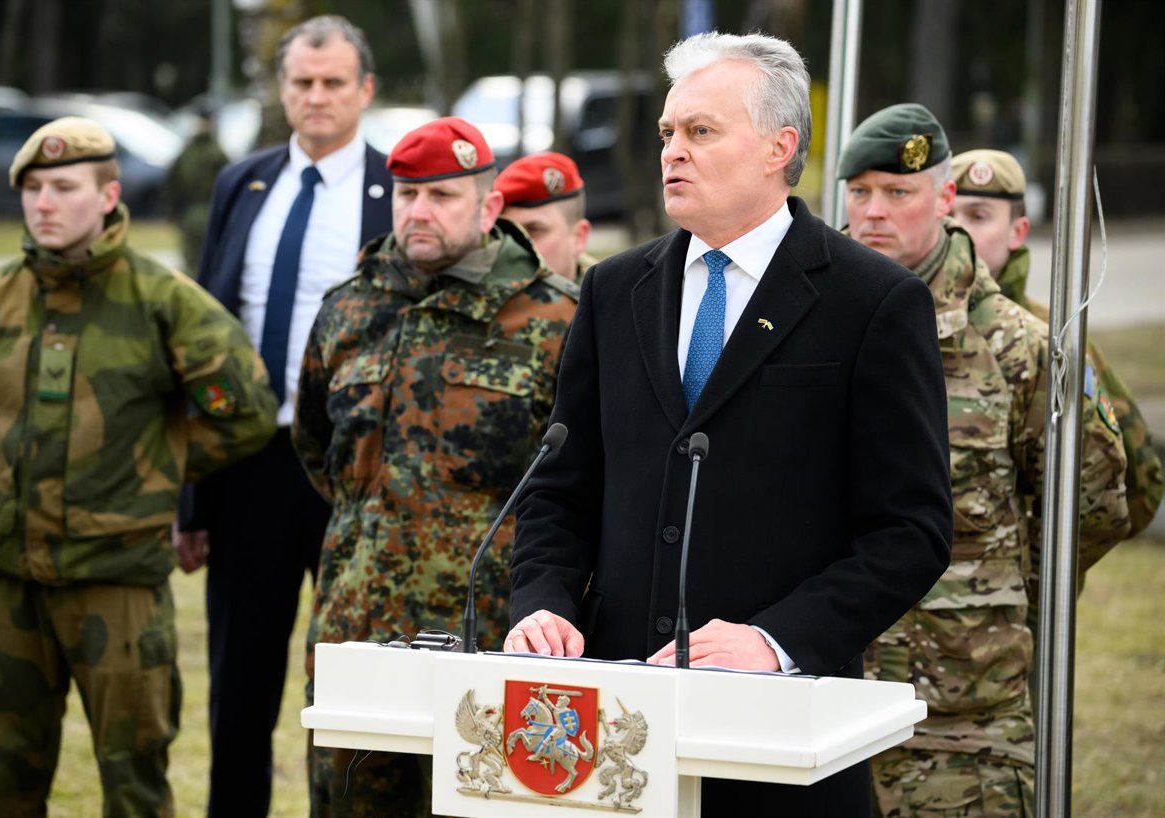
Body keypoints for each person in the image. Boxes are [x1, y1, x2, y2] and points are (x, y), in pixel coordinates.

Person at [505, 33, 953, 817]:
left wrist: (775, 641)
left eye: (701, 131)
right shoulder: (615, 290)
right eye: (667, 133)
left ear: (780, 147)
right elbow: (560, 490)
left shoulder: (871, 301)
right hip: (613, 729)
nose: (673, 151)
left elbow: (909, 530)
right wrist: (543, 602)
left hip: (782, 729)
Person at [0, 117, 276, 817]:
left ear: (109, 196)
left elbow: (247, 410)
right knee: (3, 782)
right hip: (9, 583)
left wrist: (154, 469)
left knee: (135, 787)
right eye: (33, 189)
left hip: (117, 583)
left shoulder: (163, 301)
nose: (45, 203)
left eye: (64, 187)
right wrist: (19, 465)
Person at [839, 104, 1131, 816]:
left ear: (944, 199)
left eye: (898, 193)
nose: (874, 213)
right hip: (824, 696)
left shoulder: (1015, 347)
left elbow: (1092, 505)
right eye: (860, 192)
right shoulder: (804, 322)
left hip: (961, 723)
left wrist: (993, 604)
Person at [293, 116, 578, 816]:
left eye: (443, 196)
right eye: (407, 194)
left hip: (488, 641)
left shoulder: (555, 319)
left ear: (488, 206)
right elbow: (318, 450)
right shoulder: (348, 309)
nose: (419, 212)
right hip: (356, 630)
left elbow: (578, 484)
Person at [172, 14, 394, 818]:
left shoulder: (398, 189)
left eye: (334, 82)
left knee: (352, 688)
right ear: (281, 88)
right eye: (302, 82)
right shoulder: (243, 183)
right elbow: (202, 343)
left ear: (365, 90)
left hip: (352, 470)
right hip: (247, 466)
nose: (317, 96)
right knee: (240, 689)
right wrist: (192, 496)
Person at [950, 148, 1162, 546]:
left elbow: (1139, 484)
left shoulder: (1053, 338)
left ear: (1017, 232)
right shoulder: (911, 320)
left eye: (978, 216)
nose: (958, 230)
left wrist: (1038, 565)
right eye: (948, 214)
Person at [494, 151, 595, 280]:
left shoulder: (612, 291)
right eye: (507, 233)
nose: (515, 249)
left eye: (534, 231)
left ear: (579, 237)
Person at [164, 107, 229, 275]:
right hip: (204, 211)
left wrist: (174, 212)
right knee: (208, 260)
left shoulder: (189, 152)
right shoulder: (216, 152)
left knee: (193, 261)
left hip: (196, 212)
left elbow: (172, 185)